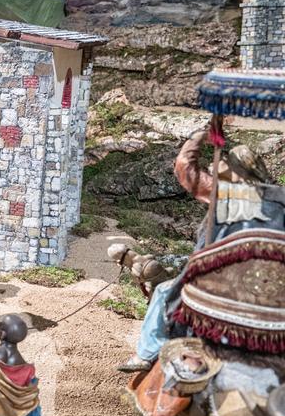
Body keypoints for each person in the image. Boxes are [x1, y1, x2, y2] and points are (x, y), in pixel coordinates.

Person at [117, 123, 285, 373]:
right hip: (270, 282)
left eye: (224, 167)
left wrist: (199, 136)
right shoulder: (279, 197)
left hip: (221, 277)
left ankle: (146, 353)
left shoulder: (225, 192)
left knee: (164, 291)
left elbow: (184, 167)